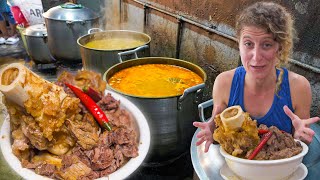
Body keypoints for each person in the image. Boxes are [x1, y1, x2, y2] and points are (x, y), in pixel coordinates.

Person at [193, 1, 320, 179]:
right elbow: (217, 124)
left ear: (280, 48)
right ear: (239, 44)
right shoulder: (224, 83)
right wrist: (210, 131)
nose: (256, 56)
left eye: (267, 44)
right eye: (248, 44)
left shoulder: (299, 88)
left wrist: (302, 137)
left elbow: (300, 143)